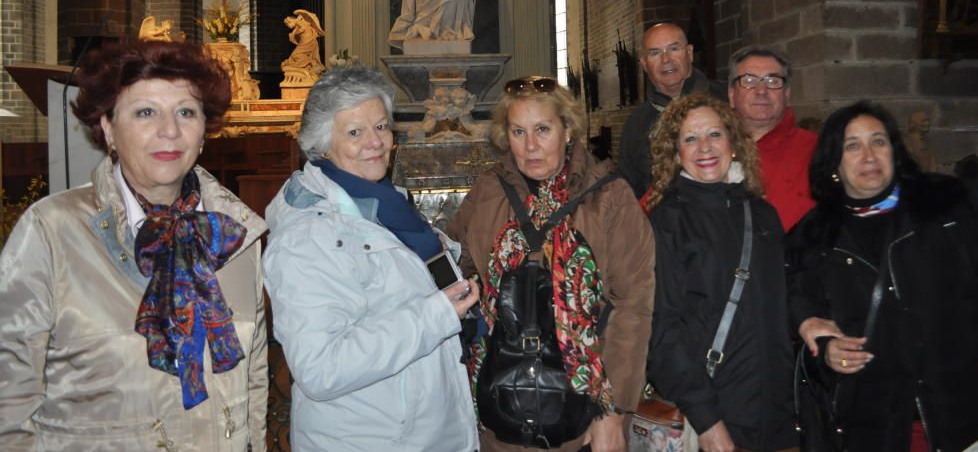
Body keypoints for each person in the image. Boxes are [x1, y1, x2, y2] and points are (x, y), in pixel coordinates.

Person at [0, 39, 268, 451]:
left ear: (203, 132)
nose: (170, 130)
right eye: (146, 112)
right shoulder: (54, 231)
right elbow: (7, 398)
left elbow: (253, 384)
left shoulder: (234, 235)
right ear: (107, 127)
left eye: (186, 112)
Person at [262, 64, 479, 452]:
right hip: (371, 438)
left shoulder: (386, 204)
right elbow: (320, 369)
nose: (375, 142)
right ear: (322, 144)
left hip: (424, 428)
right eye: (355, 132)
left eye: (381, 127)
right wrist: (436, 316)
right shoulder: (306, 236)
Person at [446, 76, 655, 451]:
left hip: (583, 413)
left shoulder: (608, 197)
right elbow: (453, 265)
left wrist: (614, 411)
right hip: (497, 403)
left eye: (543, 129)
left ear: (568, 129)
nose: (530, 146)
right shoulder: (488, 191)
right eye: (518, 131)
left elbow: (633, 306)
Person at [786, 101, 978, 451]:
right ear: (834, 164)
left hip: (969, 416)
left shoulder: (949, 207)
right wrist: (826, 352)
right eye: (852, 146)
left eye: (879, 141)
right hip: (879, 425)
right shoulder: (811, 241)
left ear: (894, 151)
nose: (868, 155)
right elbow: (802, 326)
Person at [645, 93, 798, 452]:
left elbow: (782, 308)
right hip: (715, 414)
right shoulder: (668, 222)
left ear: (733, 141)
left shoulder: (762, 216)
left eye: (714, 134)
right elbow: (663, 331)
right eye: (690, 138)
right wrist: (708, 422)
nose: (704, 148)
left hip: (779, 415)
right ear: (676, 152)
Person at [618, 22, 726, 198]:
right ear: (644, 63)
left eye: (674, 49)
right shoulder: (636, 123)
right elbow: (630, 190)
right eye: (654, 53)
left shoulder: (726, 100)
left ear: (689, 53)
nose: (666, 60)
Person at [728, 46, 817, 231]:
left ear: (787, 94)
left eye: (772, 80)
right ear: (731, 95)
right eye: (749, 80)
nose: (761, 90)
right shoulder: (707, 150)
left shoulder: (816, 150)